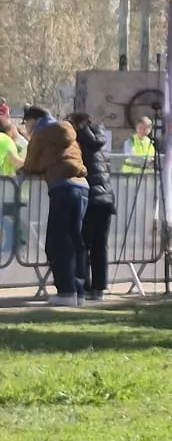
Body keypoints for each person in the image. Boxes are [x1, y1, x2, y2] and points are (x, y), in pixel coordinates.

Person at [19, 106, 89, 304]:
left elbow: (30, 163)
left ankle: (66, 292)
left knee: (57, 242)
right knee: (75, 241)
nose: (27, 128)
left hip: (62, 187)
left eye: (26, 123)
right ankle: (78, 292)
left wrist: (39, 168)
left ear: (33, 120)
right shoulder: (68, 132)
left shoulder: (41, 133)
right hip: (82, 185)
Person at [68, 114, 116, 301]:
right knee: (100, 245)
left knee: (83, 244)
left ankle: (84, 285)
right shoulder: (98, 140)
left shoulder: (78, 143)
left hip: (90, 196)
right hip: (106, 197)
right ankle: (99, 288)